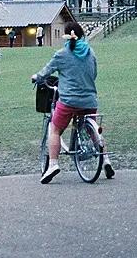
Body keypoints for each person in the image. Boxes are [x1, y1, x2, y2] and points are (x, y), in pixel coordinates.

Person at [30, 22, 114, 184]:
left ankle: (53, 164)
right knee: (93, 131)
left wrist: (36, 77)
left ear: (66, 37)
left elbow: (45, 72)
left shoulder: (61, 55)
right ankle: (106, 161)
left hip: (69, 101)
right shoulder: (90, 53)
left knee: (54, 129)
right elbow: (93, 74)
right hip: (90, 100)